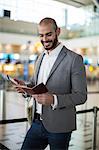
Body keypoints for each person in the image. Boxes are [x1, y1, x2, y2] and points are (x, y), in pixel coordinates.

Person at [15, 17, 87, 150]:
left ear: (58, 32)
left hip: (60, 126)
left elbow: (81, 96)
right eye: (41, 35)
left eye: (48, 34)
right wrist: (26, 87)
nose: (44, 39)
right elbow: (35, 84)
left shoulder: (74, 59)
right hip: (36, 123)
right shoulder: (40, 57)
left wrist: (54, 99)